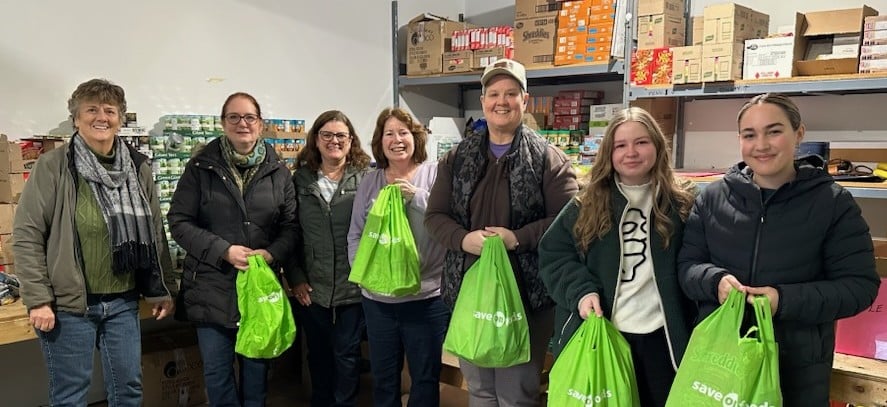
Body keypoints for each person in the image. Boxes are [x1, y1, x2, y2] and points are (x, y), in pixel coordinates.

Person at [678, 93, 880, 407]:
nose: (761, 145)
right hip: (719, 362)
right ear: (740, 140)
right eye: (750, 135)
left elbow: (859, 287)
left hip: (796, 370)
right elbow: (687, 266)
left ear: (799, 134)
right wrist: (714, 281)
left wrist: (782, 300)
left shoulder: (832, 203)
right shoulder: (712, 198)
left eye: (774, 131)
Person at [12, 78, 176, 406]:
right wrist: (38, 299)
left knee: (128, 389)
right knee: (71, 396)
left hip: (123, 303)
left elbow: (155, 232)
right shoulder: (54, 166)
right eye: (91, 109)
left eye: (110, 110)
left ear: (119, 118)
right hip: (70, 306)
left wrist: (162, 288)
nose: (101, 116)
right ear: (76, 118)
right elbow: (27, 235)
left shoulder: (138, 167)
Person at [425, 58, 579, 405]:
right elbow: (435, 216)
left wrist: (518, 238)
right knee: (478, 389)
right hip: (470, 293)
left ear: (525, 100)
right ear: (483, 102)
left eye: (511, 93)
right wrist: (464, 240)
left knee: (517, 393)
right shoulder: (458, 157)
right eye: (494, 93)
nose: (502, 101)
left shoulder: (547, 158)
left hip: (526, 298)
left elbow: (568, 218)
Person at [538, 107, 696, 406]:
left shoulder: (683, 202)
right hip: (606, 333)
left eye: (641, 142)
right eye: (620, 145)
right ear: (608, 153)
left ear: (658, 146)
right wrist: (581, 292)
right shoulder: (586, 203)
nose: (631, 152)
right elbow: (554, 254)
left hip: (665, 339)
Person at [167, 92, 298, 407]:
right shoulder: (201, 167)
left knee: (257, 369)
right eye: (234, 117)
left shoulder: (278, 170)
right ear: (223, 123)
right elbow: (179, 222)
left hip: (258, 287)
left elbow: (291, 227)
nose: (243, 124)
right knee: (217, 372)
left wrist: (271, 254)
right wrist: (223, 250)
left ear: (261, 124)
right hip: (212, 286)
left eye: (250, 117)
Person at [347, 107, 450, 407]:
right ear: (380, 142)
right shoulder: (370, 181)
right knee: (384, 378)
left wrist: (416, 197)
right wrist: (364, 272)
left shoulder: (436, 175)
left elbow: (449, 222)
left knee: (425, 379)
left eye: (403, 132)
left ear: (415, 137)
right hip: (379, 302)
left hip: (427, 298)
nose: (397, 140)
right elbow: (355, 233)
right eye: (388, 134)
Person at [288, 110, 372, 407]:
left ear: (351, 141)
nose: (334, 141)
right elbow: (290, 233)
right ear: (316, 139)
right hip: (313, 287)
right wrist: (296, 278)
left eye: (341, 136)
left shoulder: (366, 178)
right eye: (327, 135)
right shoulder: (300, 180)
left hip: (354, 286)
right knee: (319, 355)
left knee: (347, 355)